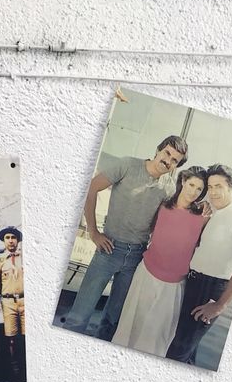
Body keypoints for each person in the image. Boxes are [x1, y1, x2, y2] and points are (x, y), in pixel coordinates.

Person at [64, 134, 187, 337]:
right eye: (167, 153)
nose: (168, 160)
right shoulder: (128, 165)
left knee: (113, 321)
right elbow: (92, 188)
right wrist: (93, 232)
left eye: (175, 160)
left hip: (137, 256)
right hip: (108, 248)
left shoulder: (169, 188)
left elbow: (167, 224)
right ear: (158, 149)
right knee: (79, 316)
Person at [111, 166, 208, 356]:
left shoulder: (202, 218)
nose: (193, 191)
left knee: (156, 341)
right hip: (146, 275)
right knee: (128, 330)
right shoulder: (162, 206)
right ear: (182, 182)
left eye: (199, 189)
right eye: (191, 184)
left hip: (173, 286)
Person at [166, 165, 232, 366]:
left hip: (210, 289)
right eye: (210, 186)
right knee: (186, 349)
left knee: (177, 351)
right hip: (193, 283)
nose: (213, 192)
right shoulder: (216, 212)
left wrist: (219, 305)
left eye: (219, 186)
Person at [0, 226, 26, 382]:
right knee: (11, 339)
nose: (11, 240)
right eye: (7, 237)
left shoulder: (25, 257)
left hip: (25, 300)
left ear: (18, 240)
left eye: (13, 237)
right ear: (3, 240)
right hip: (8, 302)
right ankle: (16, 373)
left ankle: (28, 370)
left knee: (26, 337)